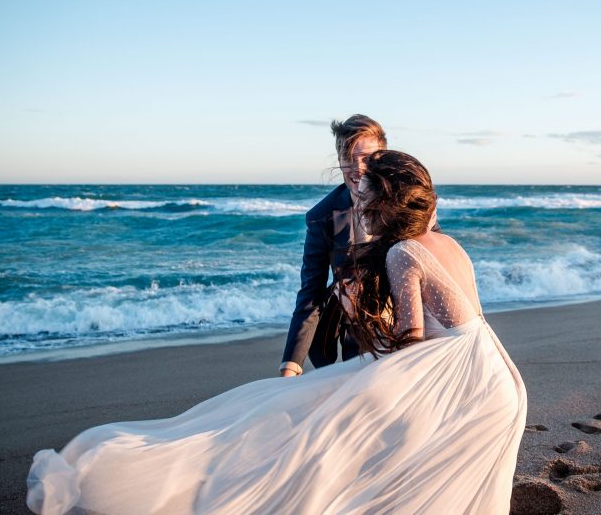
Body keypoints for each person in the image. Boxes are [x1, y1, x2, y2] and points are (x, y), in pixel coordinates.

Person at [26, 150, 527, 514]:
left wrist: (364, 350)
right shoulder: (447, 241)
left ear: (386, 196)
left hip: (456, 371)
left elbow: (414, 335)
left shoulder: (401, 253)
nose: (361, 192)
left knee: (335, 420)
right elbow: (463, 320)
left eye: (369, 185)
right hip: (495, 374)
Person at [279, 114, 387, 377]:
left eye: (366, 158)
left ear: (383, 158)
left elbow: (435, 263)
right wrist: (290, 366)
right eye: (348, 158)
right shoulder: (321, 216)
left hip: (412, 336)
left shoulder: (406, 203)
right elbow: (311, 295)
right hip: (356, 342)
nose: (357, 167)